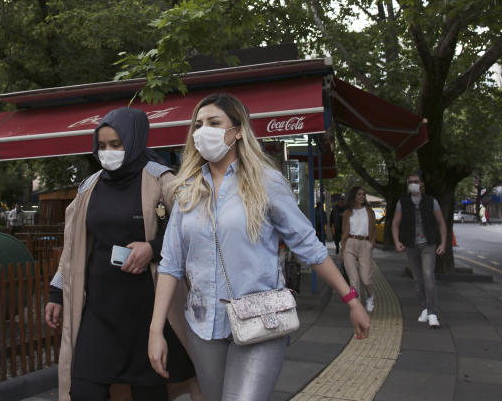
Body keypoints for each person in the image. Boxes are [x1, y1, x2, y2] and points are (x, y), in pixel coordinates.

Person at [148, 93, 370, 401]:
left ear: (238, 130)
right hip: (203, 327)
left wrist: (351, 299)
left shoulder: (266, 182)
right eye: (198, 125)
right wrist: (156, 330)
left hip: (260, 322)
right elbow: (170, 264)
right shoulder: (186, 190)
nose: (203, 132)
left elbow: (308, 246)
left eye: (214, 122)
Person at [44, 107, 198, 401]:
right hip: (99, 311)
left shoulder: (162, 180)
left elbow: (191, 231)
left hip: (147, 311)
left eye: (116, 144)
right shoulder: (89, 187)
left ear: (135, 141)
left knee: (149, 393)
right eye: (102, 146)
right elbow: (73, 247)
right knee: (84, 389)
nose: (108, 152)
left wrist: (152, 248)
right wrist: (56, 291)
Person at [390, 173, 447, 329]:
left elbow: (441, 223)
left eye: (416, 182)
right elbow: (395, 224)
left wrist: (443, 243)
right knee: (418, 279)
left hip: (428, 244)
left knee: (428, 276)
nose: (413, 184)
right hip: (411, 245)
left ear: (421, 184)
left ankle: (433, 313)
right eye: (410, 182)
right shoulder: (402, 202)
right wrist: (397, 242)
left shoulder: (431, 202)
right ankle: (424, 308)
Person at [340, 186, 377, 313]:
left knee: (366, 279)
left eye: (363, 194)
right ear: (353, 197)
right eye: (359, 194)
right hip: (350, 243)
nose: (362, 196)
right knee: (354, 281)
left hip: (365, 244)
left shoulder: (369, 212)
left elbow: (374, 229)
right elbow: (344, 232)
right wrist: (342, 250)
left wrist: (371, 243)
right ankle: (358, 308)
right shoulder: (347, 213)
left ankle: (370, 296)